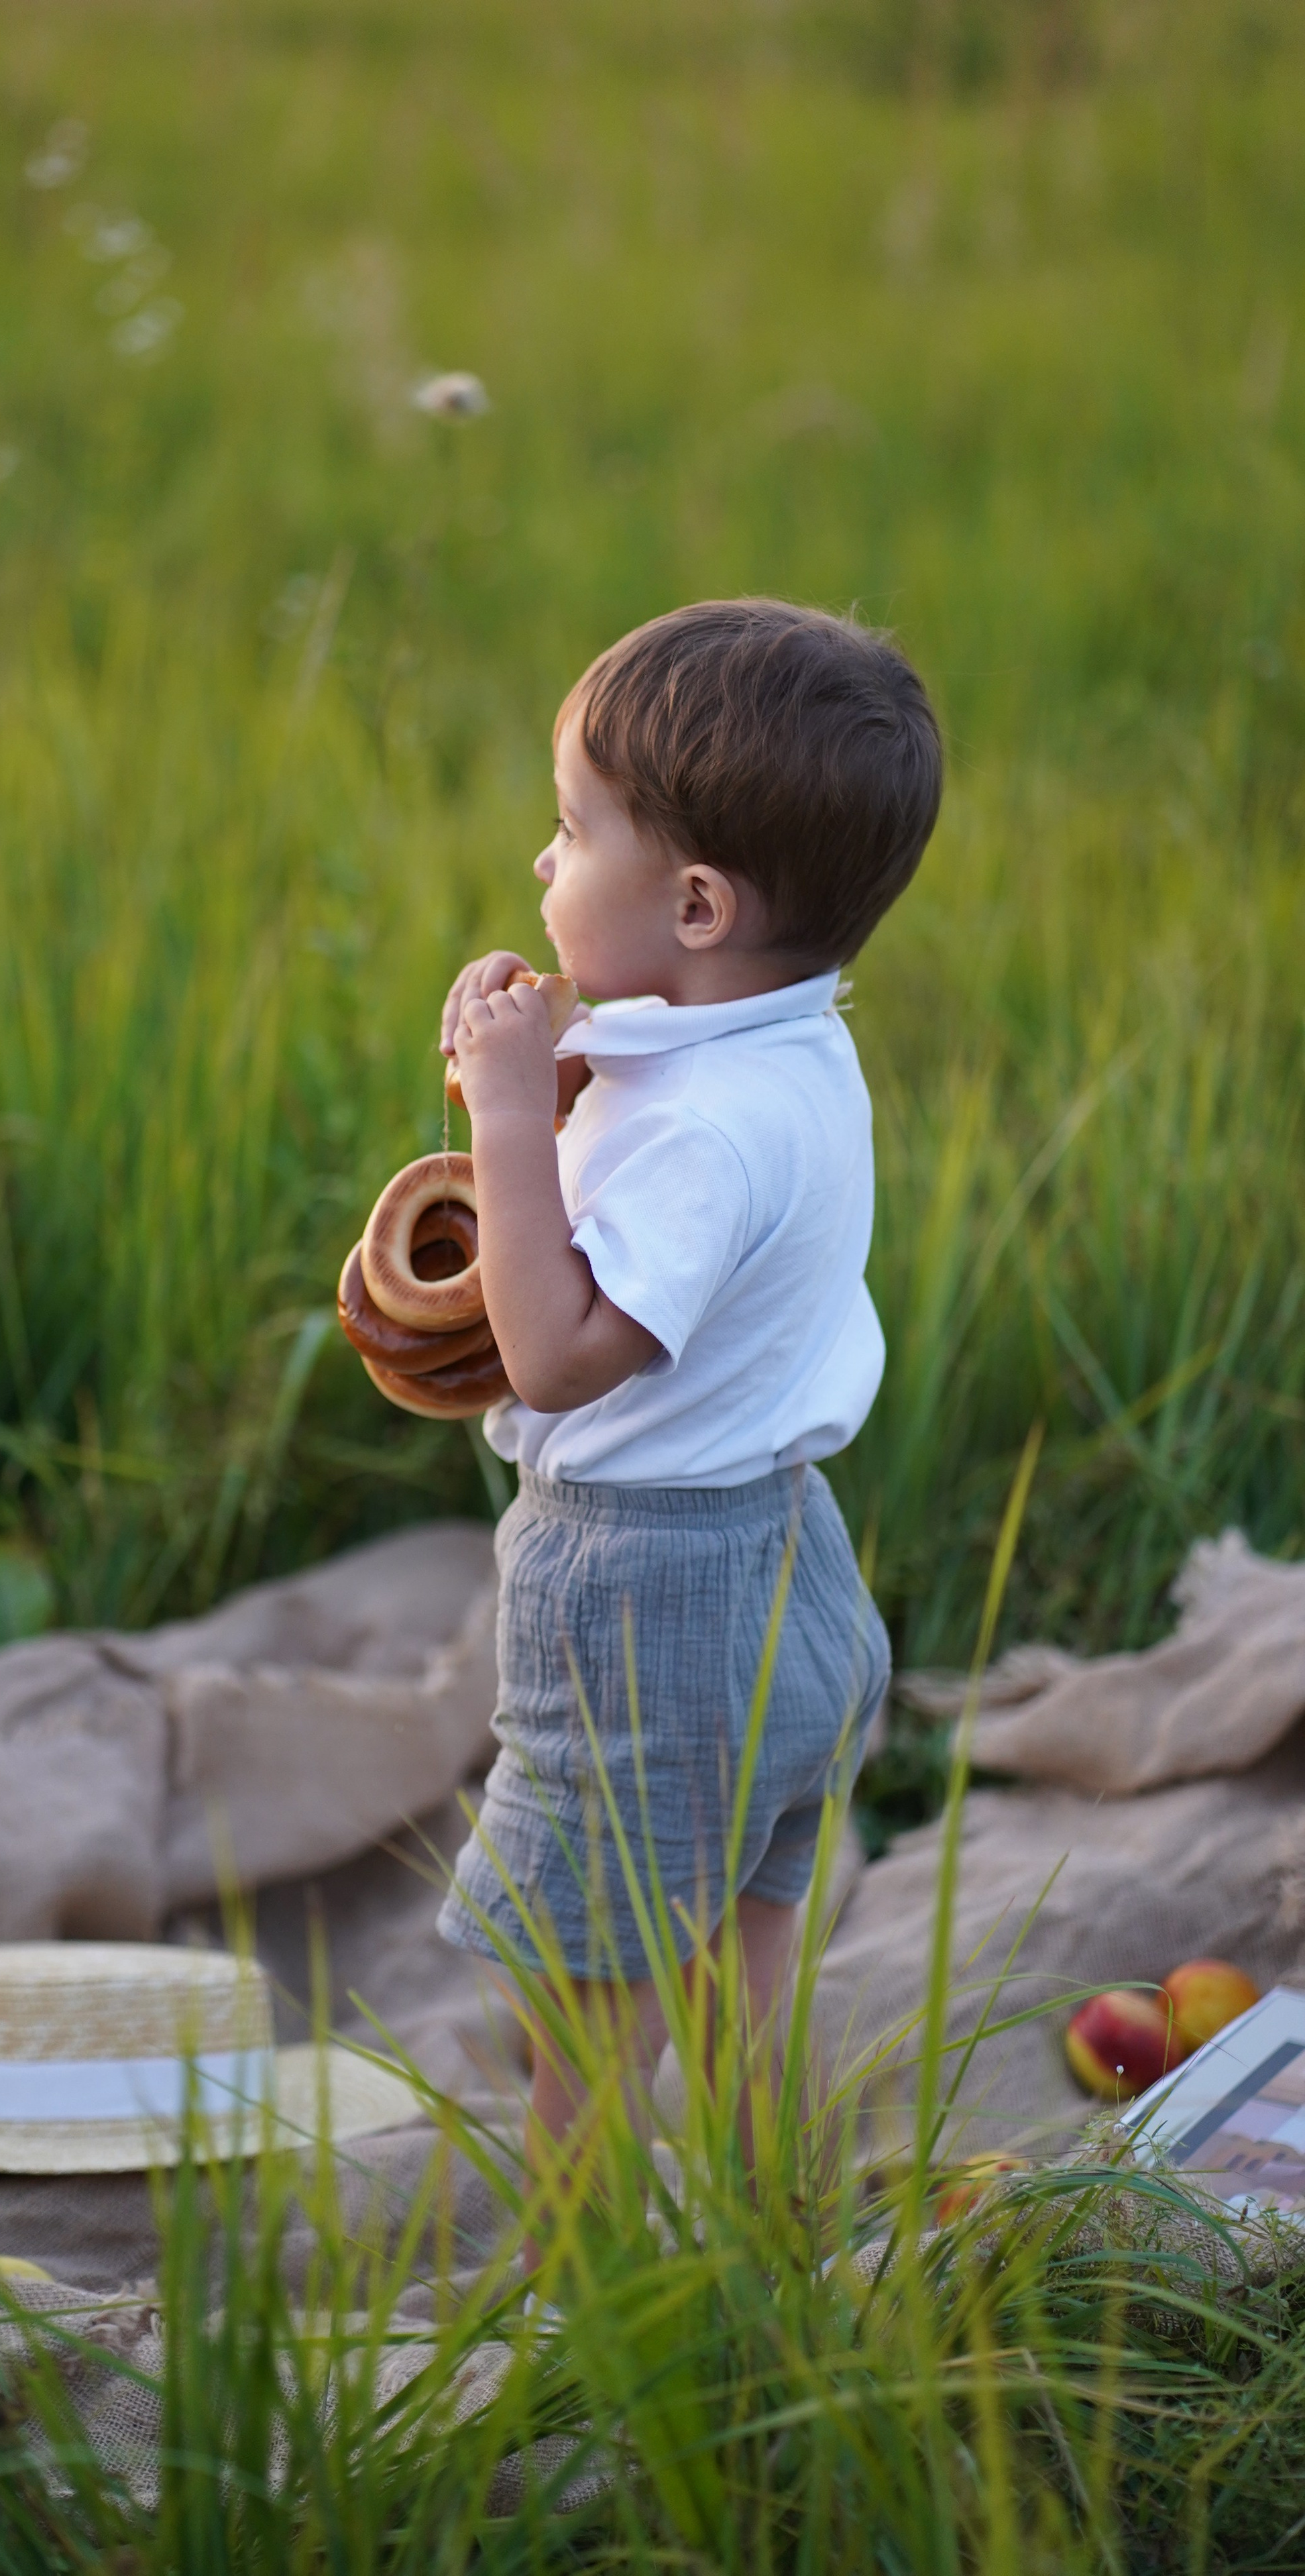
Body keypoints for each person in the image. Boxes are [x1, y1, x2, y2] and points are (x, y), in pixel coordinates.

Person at [433, 598, 942, 2229]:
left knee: (577, 2001)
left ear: (699, 903)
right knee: (736, 1947)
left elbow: (560, 1355)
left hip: (648, 1596)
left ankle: (586, 2313)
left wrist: (510, 1116)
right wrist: (579, 1077)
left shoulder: (702, 1128)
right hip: (793, 1572)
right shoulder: (785, 1053)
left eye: (572, 830)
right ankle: (764, 2232)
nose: (539, 866)